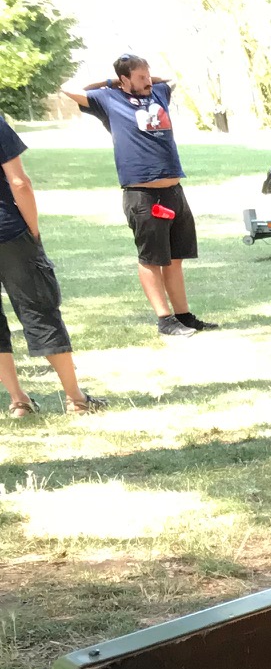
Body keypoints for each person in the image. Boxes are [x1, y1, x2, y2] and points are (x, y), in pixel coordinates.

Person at [64, 55, 213, 338]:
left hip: (174, 190)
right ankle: (165, 320)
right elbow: (68, 88)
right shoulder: (108, 100)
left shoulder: (158, 92)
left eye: (148, 75)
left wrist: (146, 79)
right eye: (140, 77)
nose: (147, 81)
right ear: (124, 79)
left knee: (176, 258)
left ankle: (183, 315)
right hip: (143, 195)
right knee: (151, 259)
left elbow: (173, 77)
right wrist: (112, 83)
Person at [0, 112, 103, 418]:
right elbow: (20, 182)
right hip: (9, 233)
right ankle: (76, 399)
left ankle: (18, 400)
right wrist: (33, 232)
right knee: (40, 310)